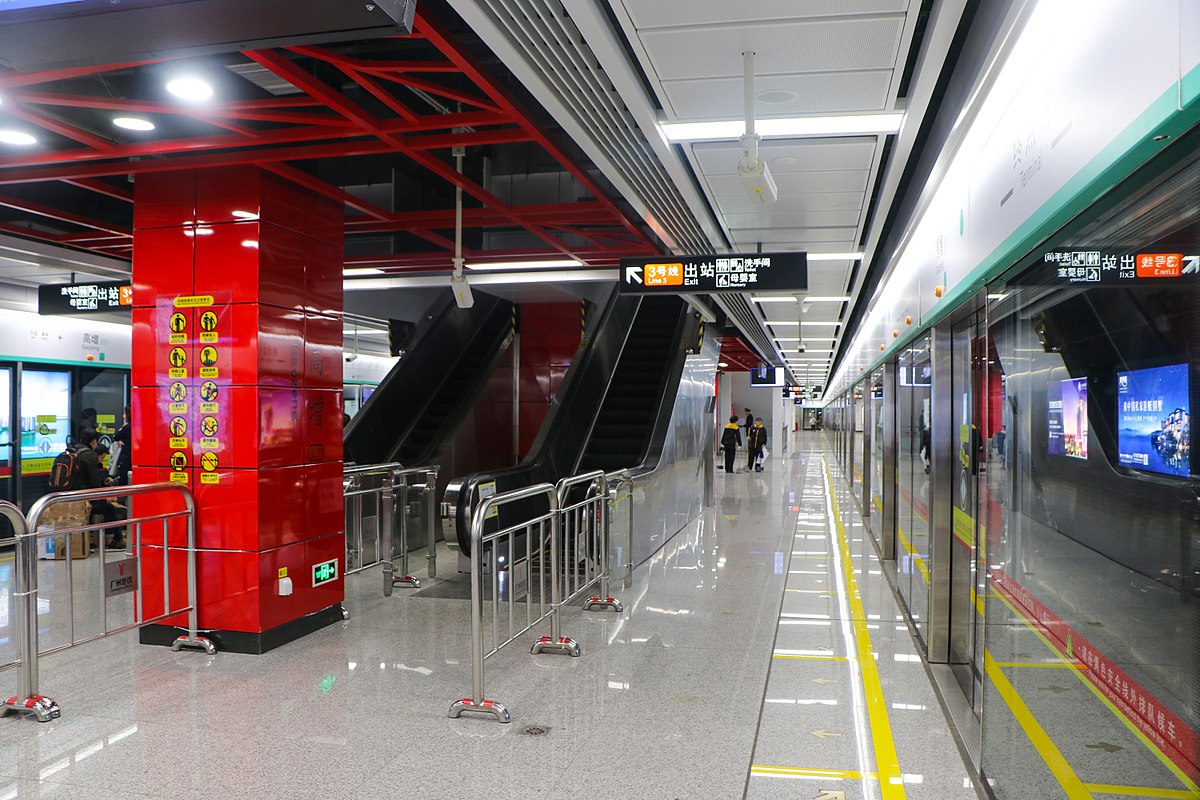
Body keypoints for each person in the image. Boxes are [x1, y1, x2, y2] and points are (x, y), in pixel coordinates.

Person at [74, 427, 124, 549]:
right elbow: (93, 481)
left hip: (73, 495)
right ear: (93, 442)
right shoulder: (89, 455)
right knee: (109, 508)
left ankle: (95, 539)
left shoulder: (74, 450)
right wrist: (104, 495)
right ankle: (115, 539)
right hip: (85, 498)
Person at [108, 405, 132, 486]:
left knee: (123, 483)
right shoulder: (139, 426)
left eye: (125, 413)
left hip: (125, 461)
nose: (123, 416)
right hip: (132, 460)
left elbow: (116, 436)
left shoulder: (127, 427)